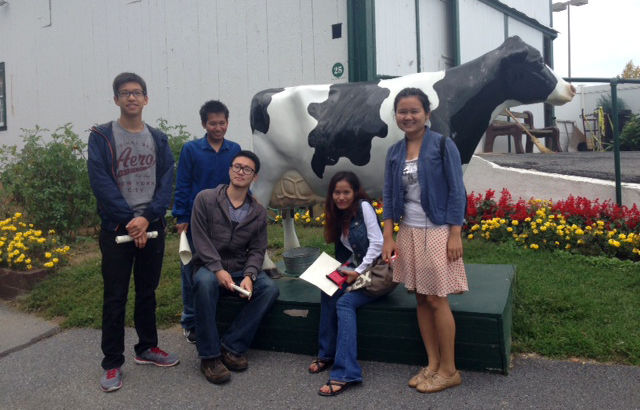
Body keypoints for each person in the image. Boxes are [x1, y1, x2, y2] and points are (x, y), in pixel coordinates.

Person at [88, 72, 179, 393]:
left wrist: (149, 217)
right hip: (118, 229)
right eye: (125, 93)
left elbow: (167, 177)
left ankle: (147, 348)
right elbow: (100, 182)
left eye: (137, 92)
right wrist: (131, 220)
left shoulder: (157, 137)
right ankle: (112, 363)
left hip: (152, 226)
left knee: (147, 292)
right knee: (115, 297)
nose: (131, 98)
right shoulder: (102, 136)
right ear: (116, 99)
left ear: (146, 99)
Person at [382, 87, 468, 394]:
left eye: (414, 111)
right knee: (419, 296)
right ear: (396, 116)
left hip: (438, 230)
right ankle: (432, 364)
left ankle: (449, 369)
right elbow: (390, 195)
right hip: (409, 231)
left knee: (436, 298)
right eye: (402, 112)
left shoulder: (443, 146)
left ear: (427, 114)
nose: (408, 117)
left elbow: (458, 191)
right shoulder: (394, 151)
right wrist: (389, 236)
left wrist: (455, 233)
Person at [190, 150, 279, 384]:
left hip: (240, 267)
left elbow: (258, 250)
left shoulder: (258, 212)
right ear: (230, 170)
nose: (241, 172)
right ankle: (209, 357)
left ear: (254, 177)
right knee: (204, 283)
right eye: (237, 166)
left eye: (247, 169)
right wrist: (218, 269)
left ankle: (231, 346)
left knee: (269, 289)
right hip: (209, 267)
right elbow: (199, 239)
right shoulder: (205, 199)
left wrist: (250, 275)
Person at [308, 171, 385, 397]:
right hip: (356, 270)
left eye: (346, 192)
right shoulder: (339, 215)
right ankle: (327, 353)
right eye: (337, 193)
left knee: (345, 303)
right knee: (328, 288)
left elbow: (378, 244)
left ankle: (345, 372)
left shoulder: (364, 208)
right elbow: (351, 252)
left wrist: (357, 271)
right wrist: (338, 270)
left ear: (355, 192)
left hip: (377, 274)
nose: (341, 197)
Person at [172, 100, 241, 344]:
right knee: (190, 270)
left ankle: (219, 317)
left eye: (222, 123)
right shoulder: (191, 150)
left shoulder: (234, 150)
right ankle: (190, 321)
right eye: (213, 123)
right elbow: (183, 183)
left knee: (222, 266)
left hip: (225, 221)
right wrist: (181, 216)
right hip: (195, 221)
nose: (218, 127)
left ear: (227, 123)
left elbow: (240, 182)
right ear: (204, 124)